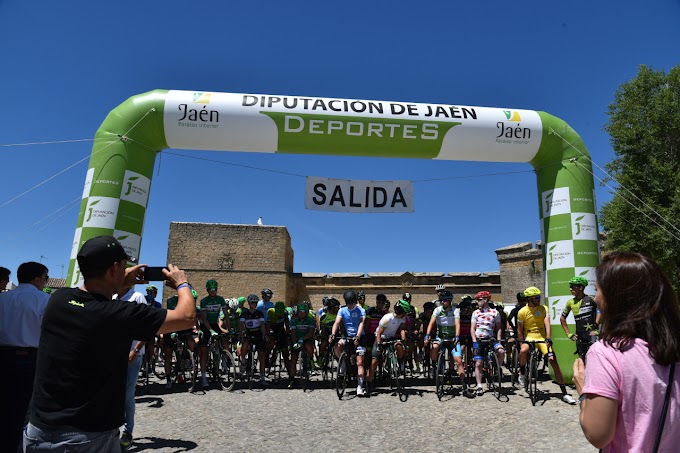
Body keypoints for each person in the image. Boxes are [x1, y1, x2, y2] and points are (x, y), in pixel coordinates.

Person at [25, 235, 195, 452]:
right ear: (115, 269)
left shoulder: (58, 300)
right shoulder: (118, 315)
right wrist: (183, 283)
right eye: (123, 266)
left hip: (39, 431)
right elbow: (187, 316)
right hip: (87, 437)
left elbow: (93, 289)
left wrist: (121, 278)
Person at [573, 252, 680, 452]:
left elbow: (598, 436)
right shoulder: (674, 349)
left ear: (617, 297)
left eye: (598, 290)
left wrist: (582, 391)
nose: (595, 298)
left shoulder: (606, 353)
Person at [0, 261, 49, 453]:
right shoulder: (43, 300)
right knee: (24, 409)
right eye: (45, 278)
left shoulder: (3, 299)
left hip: (3, 356)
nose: (45, 282)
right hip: (29, 359)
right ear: (37, 279)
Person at [517, 286, 576, 405]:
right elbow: (520, 330)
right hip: (530, 336)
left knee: (553, 360)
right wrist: (521, 341)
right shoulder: (522, 311)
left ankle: (564, 393)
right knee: (523, 351)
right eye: (536, 297)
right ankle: (522, 372)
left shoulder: (544, 308)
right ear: (529, 299)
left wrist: (548, 337)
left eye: (539, 297)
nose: (539, 299)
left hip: (542, 337)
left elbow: (547, 324)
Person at [116, 285, 148, 449]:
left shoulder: (137, 297)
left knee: (128, 394)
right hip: (115, 354)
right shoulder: (113, 298)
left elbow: (146, 327)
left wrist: (135, 351)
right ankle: (112, 430)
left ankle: (128, 432)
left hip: (132, 355)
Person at [424, 290, 466, 388]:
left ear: (450, 301)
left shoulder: (455, 310)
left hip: (452, 338)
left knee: (459, 361)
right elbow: (431, 323)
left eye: (445, 300)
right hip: (441, 337)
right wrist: (427, 334)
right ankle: (434, 366)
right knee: (434, 347)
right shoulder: (437, 310)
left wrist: (457, 336)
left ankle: (464, 386)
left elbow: (457, 324)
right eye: (442, 300)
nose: (443, 302)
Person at [330, 290, 368, 396]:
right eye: (349, 303)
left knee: (359, 362)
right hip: (347, 336)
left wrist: (358, 336)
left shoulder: (361, 310)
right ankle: (342, 363)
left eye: (352, 303)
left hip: (359, 337)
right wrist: (333, 334)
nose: (351, 305)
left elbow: (361, 323)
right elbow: (337, 322)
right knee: (337, 346)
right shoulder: (342, 310)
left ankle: (360, 386)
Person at [163, 289, 200, 389]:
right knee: (168, 354)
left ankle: (186, 360)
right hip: (170, 326)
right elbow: (172, 316)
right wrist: (173, 331)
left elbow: (194, 319)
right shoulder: (172, 301)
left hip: (182, 328)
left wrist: (198, 330)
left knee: (190, 340)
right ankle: (168, 379)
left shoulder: (191, 305)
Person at [470, 291, 505, 396]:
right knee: (478, 363)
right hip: (479, 340)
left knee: (501, 351)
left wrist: (499, 340)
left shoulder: (495, 312)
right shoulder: (475, 313)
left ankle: (497, 367)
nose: (477, 302)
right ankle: (479, 385)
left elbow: (499, 328)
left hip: (491, 339)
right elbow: (472, 328)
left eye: (479, 300)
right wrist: (474, 341)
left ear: (485, 300)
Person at [198, 279, 229, 389]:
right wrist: (211, 331)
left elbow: (226, 315)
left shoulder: (220, 299)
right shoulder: (203, 301)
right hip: (206, 326)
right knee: (204, 350)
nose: (213, 291)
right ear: (207, 290)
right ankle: (203, 377)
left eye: (214, 289)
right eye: (211, 289)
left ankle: (223, 360)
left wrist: (229, 329)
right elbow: (204, 319)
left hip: (215, 324)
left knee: (225, 340)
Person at [560, 276, 600, 359]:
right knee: (582, 359)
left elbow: (602, 311)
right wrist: (568, 334)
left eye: (573, 287)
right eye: (570, 287)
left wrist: (596, 326)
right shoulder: (570, 302)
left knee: (595, 358)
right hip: (579, 335)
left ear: (581, 287)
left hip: (592, 334)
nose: (570, 289)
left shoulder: (591, 299)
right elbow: (562, 318)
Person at [239, 293, 270, 384]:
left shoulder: (259, 313)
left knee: (261, 355)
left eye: (256, 303)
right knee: (244, 345)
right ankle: (243, 360)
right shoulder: (244, 314)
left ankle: (262, 377)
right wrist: (241, 333)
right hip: (248, 333)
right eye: (253, 303)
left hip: (258, 334)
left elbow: (262, 325)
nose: (255, 304)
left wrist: (265, 335)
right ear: (249, 303)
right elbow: (241, 325)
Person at [289, 302, 316, 388]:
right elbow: (292, 333)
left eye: (304, 311)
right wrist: (294, 343)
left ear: (307, 312)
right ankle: (291, 378)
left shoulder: (310, 320)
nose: (302, 313)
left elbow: (311, 332)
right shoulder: (294, 320)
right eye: (300, 311)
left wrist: (303, 339)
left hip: (306, 338)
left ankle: (311, 359)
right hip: (296, 339)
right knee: (293, 359)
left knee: (308, 346)